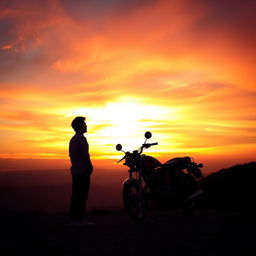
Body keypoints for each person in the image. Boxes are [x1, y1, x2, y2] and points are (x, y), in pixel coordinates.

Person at [68, 116, 94, 227]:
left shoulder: (73, 139)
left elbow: (72, 155)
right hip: (82, 170)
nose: (86, 126)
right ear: (80, 126)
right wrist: (90, 166)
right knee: (82, 195)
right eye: (84, 124)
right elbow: (85, 156)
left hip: (75, 170)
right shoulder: (81, 139)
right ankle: (80, 220)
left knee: (76, 194)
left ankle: (75, 219)